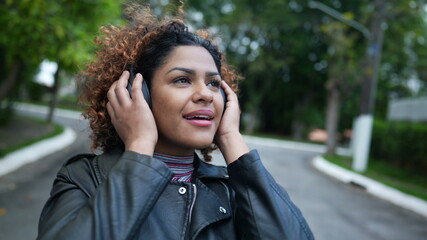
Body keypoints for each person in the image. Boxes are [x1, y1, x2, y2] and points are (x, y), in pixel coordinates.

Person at [37, 4, 314, 240]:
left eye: (214, 84)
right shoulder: (85, 178)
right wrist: (141, 144)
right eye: (182, 79)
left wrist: (231, 138)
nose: (206, 94)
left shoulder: (232, 191)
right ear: (139, 93)